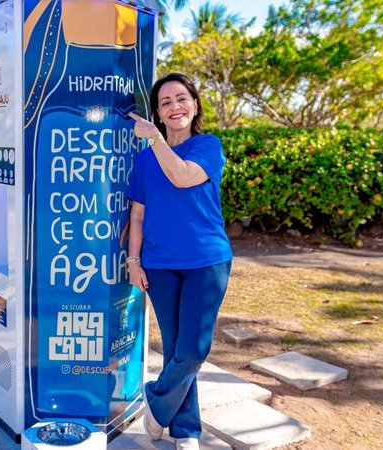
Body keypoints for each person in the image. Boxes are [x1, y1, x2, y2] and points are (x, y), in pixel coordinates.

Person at [126, 73, 232, 450]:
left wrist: (154, 138)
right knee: (174, 350)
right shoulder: (143, 162)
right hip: (159, 264)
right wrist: (133, 260)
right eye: (166, 102)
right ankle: (186, 431)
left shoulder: (208, 146)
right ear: (157, 111)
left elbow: (184, 177)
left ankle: (156, 405)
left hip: (207, 260)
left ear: (195, 104)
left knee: (193, 349)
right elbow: (137, 216)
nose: (175, 107)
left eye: (181, 98)